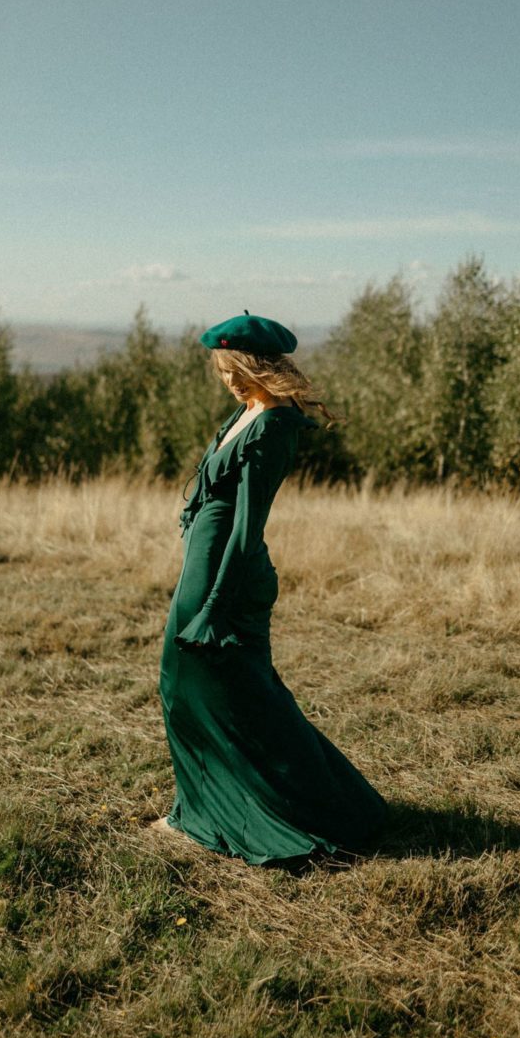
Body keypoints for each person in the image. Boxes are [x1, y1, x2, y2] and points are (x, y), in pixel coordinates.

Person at [149, 311, 388, 866]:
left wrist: (213, 606)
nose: (229, 378)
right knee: (192, 687)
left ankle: (302, 809)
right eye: (221, 367)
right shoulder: (247, 410)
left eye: (237, 367)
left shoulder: (273, 425)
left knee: (225, 690)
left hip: (226, 576)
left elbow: (246, 526)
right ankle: (202, 807)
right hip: (203, 568)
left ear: (259, 363)